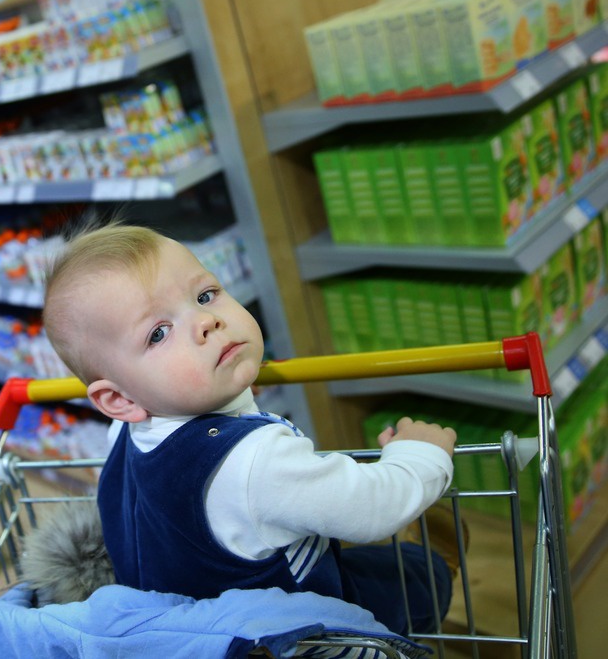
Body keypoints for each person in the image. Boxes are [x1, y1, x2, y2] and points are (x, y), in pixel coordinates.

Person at [42, 222, 462, 635]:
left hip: (191, 623)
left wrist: (226, 390)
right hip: (300, 629)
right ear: (121, 400)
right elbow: (372, 507)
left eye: (205, 295)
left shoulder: (125, 434)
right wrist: (420, 454)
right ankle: (440, 564)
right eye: (158, 333)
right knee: (407, 582)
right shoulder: (254, 461)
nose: (206, 321)